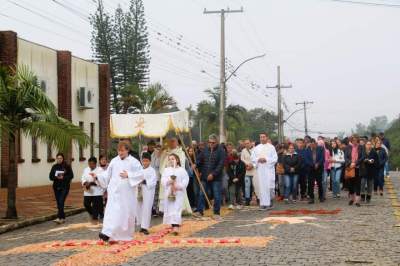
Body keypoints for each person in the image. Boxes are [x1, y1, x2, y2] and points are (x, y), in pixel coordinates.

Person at [94, 141, 144, 242]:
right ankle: (107, 233)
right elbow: (107, 174)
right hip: (114, 192)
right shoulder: (114, 161)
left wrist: (129, 175)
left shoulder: (133, 162)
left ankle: (122, 235)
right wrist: (97, 176)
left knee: (124, 214)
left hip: (127, 194)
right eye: (119, 151)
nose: (120, 153)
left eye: (122, 151)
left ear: (127, 150)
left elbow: (141, 175)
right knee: (112, 212)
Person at [195, 134, 226, 218]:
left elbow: (221, 165)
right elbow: (199, 159)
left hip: (216, 178)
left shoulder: (221, 151)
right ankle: (199, 211)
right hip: (204, 176)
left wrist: (213, 174)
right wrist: (195, 164)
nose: (211, 144)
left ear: (217, 142)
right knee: (201, 193)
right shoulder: (205, 150)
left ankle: (216, 213)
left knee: (217, 195)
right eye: (209, 142)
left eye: (213, 142)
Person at [159, 137, 191, 214]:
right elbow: (161, 163)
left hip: (177, 176)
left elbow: (182, 164)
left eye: (173, 141)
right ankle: (166, 210)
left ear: (177, 142)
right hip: (167, 175)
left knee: (178, 193)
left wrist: (176, 172)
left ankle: (180, 209)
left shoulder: (180, 152)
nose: (171, 143)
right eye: (170, 141)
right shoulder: (165, 152)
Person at [161, 154, 189, 235]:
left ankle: (176, 226)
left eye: (173, 159)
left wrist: (178, 186)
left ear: (177, 160)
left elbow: (185, 180)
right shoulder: (166, 170)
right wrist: (169, 181)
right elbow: (163, 179)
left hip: (178, 192)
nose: (171, 161)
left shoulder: (182, 170)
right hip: (169, 191)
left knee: (177, 208)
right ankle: (173, 224)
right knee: (170, 208)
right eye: (169, 159)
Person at [251, 132, 278, 210]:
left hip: (269, 170)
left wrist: (266, 159)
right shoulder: (257, 148)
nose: (262, 138)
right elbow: (253, 158)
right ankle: (263, 204)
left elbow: (275, 158)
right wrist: (258, 159)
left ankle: (269, 202)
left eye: (263, 137)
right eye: (261, 137)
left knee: (270, 187)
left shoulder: (271, 147)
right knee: (262, 187)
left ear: (267, 137)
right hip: (261, 170)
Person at [135, 152, 157, 235]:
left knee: (146, 208)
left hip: (148, 191)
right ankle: (140, 224)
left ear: (150, 161)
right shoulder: (139, 170)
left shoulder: (152, 171)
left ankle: (145, 227)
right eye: (143, 161)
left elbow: (153, 182)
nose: (145, 163)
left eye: (147, 161)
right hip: (139, 190)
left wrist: (145, 181)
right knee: (138, 207)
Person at [49, 153, 74, 224]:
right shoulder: (54, 167)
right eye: (58, 158)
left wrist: (64, 177)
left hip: (65, 187)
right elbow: (50, 177)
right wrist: (56, 177)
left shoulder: (67, 166)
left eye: (61, 158)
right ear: (56, 159)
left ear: (63, 159)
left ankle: (60, 217)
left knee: (61, 201)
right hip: (56, 187)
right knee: (59, 203)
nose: (59, 159)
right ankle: (62, 217)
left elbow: (71, 176)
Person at [81, 156, 105, 224]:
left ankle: (95, 217)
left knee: (96, 205)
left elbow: (101, 180)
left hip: (97, 191)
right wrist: (85, 183)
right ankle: (93, 213)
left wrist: (91, 183)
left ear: (95, 164)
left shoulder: (100, 170)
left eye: (92, 164)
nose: (90, 165)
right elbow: (83, 178)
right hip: (88, 191)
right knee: (86, 204)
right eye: (89, 164)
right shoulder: (86, 169)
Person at [345, 135, 364, 207]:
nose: (354, 142)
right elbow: (346, 157)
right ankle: (352, 199)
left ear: (357, 140)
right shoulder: (348, 147)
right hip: (350, 168)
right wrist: (350, 163)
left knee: (358, 184)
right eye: (353, 140)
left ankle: (357, 201)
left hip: (358, 168)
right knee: (350, 184)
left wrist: (355, 163)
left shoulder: (361, 147)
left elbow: (363, 157)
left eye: (355, 140)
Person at [308, 139, 325, 204]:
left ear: (316, 143)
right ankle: (311, 198)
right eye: (311, 144)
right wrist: (313, 165)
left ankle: (321, 197)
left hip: (319, 168)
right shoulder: (308, 150)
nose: (312, 145)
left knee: (319, 183)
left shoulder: (320, 149)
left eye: (314, 144)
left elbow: (322, 158)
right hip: (311, 169)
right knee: (310, 184)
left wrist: (318, 164)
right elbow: (306, 159)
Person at [240, 138, 256, 206]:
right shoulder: (243, 151)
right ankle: (247, 200)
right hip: (247, 170)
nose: (247, 144)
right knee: (247, 186)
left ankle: (258, 198)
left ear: (250, 143)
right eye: (245, 143)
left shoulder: (255, 149)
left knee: (255, 185)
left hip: (254, 170)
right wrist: (247, 164)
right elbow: (242, 159)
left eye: (248, 143)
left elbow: (256, 158)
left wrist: (252, 165)